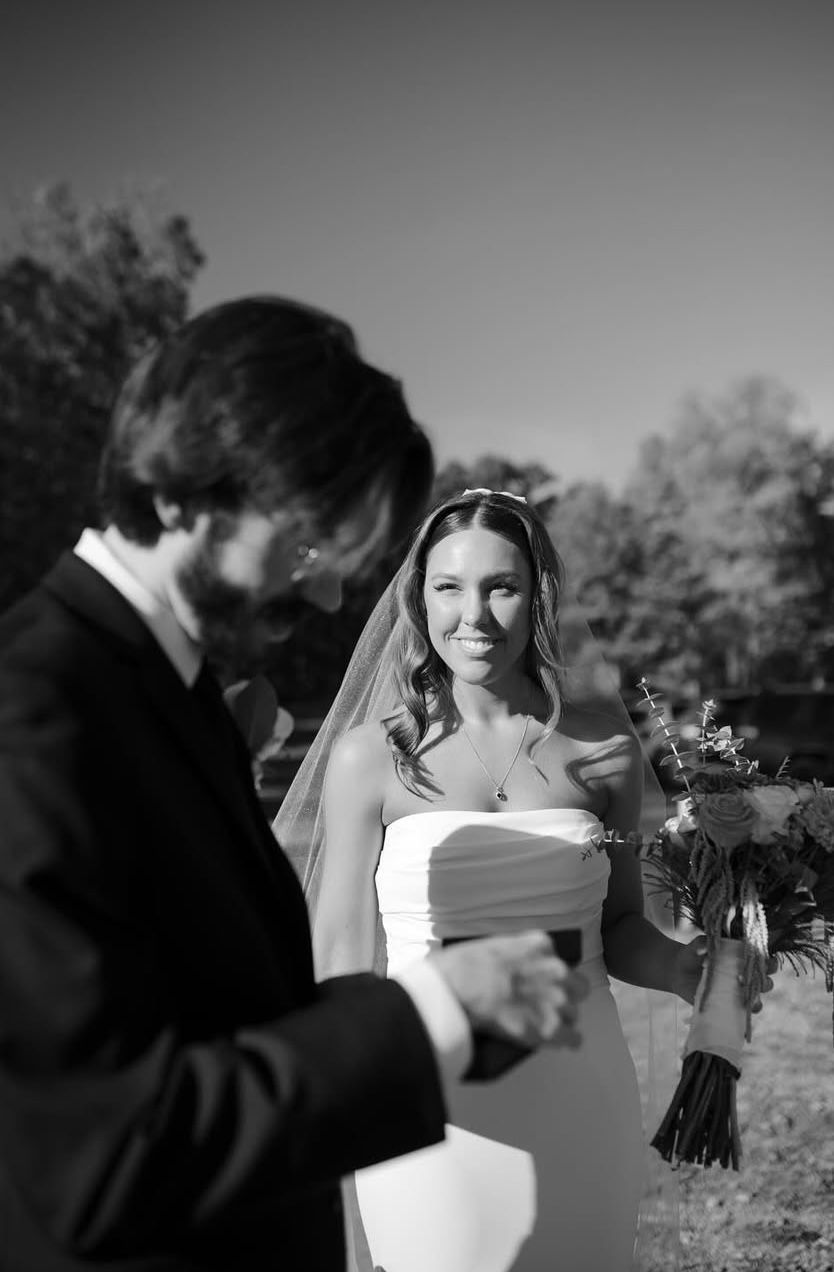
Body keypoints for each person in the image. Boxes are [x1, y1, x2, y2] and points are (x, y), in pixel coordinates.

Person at [0, 301, 588, 1272]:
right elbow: (97, 1156)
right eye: (306, 545)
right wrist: (433, 1009)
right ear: (187, 489)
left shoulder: (172, 695)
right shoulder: (37, 716)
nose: (323, 597)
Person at [275, 487, 710, 1272]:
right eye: (449, 587)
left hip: (580, 1090)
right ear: (420, 598)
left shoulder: (604, 753)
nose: (472, 615)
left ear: (538, 593)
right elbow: (338, 956)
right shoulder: (369, 757)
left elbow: (619, 928)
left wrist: (688, 968)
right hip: (426, 1101)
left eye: (500, 587)